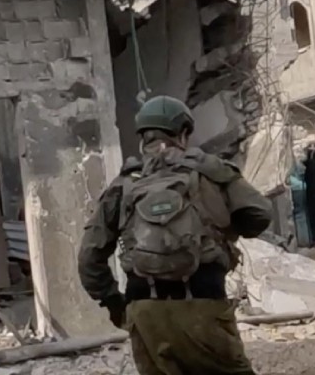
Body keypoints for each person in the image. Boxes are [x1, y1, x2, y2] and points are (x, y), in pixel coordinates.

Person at [77, 95, 272, 375]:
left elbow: (89, 259)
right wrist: (225, 222)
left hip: (144, 312)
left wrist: (115, 304)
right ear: (183, 134)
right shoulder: (210, 172)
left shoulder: (124, 185)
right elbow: (260, 216)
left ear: (143, 138)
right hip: (204, 307)